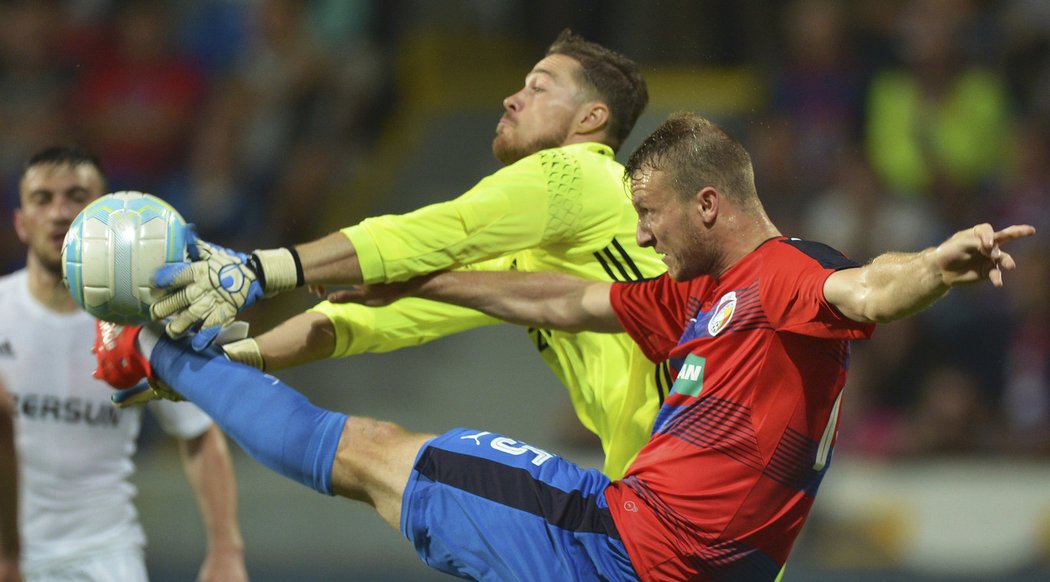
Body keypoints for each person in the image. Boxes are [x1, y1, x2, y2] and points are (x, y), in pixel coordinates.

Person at [94, 113, 1036, 580]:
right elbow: (567, 296)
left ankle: (157, 355)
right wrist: (417, 281)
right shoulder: (703, 297)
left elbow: (870, 285)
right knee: (384, 459)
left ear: (709, 204)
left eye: (652, 217)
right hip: (663, 558)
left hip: (620, 549)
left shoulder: (784, 277)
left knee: (374, 455)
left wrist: (940, 264)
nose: (647, 236)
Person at [154, 29, 667, 479]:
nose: (512, 99)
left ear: (591, 118)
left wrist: (260, 269)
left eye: (538, 88)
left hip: (694, 460)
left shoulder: (581, 173)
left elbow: (433, 233)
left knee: (404, 468)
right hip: (660, 477)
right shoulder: (541, 247)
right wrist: (230, 362)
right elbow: (387, 314)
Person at [0, 146, 248, 581]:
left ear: (104, 217)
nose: (59, 213)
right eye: (43, 199)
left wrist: (226, 550)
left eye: (76, 197)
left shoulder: (142, 322)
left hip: (105, 557)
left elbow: (197, 433)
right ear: (21, 222)